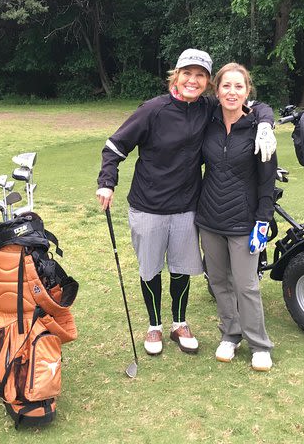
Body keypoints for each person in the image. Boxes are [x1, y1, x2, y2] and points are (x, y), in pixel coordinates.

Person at [96, 49, 276, 356]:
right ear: (175, 76)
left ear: (208, 84)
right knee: (151, 269)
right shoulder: (153, 109)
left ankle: (179, 323)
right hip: (148, 204)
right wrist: (106, 182)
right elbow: (115, 145)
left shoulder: (207, 107)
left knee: (180, 269)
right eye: (187, 74)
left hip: (187, 208)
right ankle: (154, 327)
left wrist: (265, 123)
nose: (193, 80)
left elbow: (253, 104)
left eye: (200, 76)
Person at [196, 62, 276, 371]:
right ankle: (230, 334)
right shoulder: (209, 122)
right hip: (209, 219)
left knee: (246, 285)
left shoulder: (259, 128)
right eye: (226, 86)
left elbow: (267, 181)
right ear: (217, 91)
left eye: (238, 86)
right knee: (218, 281)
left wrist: (263, 220)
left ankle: (259, 344)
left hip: (244, 221)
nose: (232, 92)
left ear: (247, 92)